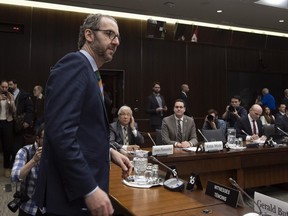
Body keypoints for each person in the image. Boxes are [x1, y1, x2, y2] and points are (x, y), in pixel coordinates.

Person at [34, 14, 132, 216]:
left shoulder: (90, 71)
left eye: (118, 36)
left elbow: (84, 130)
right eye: (109, 34)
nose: (116, 41)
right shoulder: (75, 64)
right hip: (70, 195)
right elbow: (61, 133)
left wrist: (109, 152)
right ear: (89, 34)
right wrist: (88, 187)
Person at [10, 125, 46, 216]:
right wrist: (33, 160)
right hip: (28, 207)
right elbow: (15, 177)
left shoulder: (54, 153)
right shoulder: (24, 151)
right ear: (37, 139)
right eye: (45, 138)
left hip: (48, 208)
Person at [8, 79, 34, 163]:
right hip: (9, 123)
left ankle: (15, 162)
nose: (9, 86)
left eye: (11, 84)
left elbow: (30, 109)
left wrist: (27, 121)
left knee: (18, 143)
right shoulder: (7, 94)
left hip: (20, 124)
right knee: (10, 143)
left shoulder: (24, 95)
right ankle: (12, 161)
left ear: (15, 85)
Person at [0, 80, 16, 177]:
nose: (5, 89)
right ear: (0, 87)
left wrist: (10, 101)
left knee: (7, 147)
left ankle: (6, 168)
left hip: (7, 123)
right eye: (3, 87)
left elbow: (14, 110)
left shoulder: (10, 95)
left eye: (6, 87)